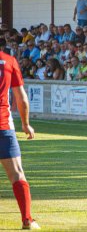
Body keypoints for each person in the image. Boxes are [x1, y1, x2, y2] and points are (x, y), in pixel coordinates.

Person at [0, 39, 40, 229]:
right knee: (17, 174)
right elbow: (21, 98)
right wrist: (26, 124)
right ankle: (27, 220)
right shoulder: (9, 61)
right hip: (3, 126)